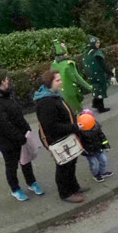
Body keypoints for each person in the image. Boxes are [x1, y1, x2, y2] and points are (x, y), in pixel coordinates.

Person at [0, 70, 44, 201]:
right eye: (6, 78)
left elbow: (17, 115)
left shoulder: (7, 94)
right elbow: (4, 124)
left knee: (26, 161)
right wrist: (20, 137)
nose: (8, 80)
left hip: (20, 136)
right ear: (2, 81)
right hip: (7, 141)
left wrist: (26, 130)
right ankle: (15, 189)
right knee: (11, 165)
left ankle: (31, 182)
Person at [34, 71, 88, 203]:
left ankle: (74, 187)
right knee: (64, 165)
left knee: (72, 162)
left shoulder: (54, 95)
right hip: (57, 139)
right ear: (49, 83)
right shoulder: (46, 102)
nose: (61, 82)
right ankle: (65, 193)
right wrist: (74, 127)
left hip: (66, 135)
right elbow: (51, 126)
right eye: (57, 80)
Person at [52, 41, 94, 114]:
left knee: (67, 113)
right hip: (71, 92)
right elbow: (77, 78)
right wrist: (90, 87)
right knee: (78, 112)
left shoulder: (53, 64)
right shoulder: (69, 64)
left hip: (59, 93)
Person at [78, 109, 114, 183]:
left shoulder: (96, 126)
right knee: (94, 164)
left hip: (98, 148)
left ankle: (102, 172)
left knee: (104, 160)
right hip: (89, 151)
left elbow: (102, 137)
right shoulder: (79, 131)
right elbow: (79, 142)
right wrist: (83, 151)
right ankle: (96, 174)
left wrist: (106, 146)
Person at [82, 37, 113, 113]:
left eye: (99, 43)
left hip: (91, 75)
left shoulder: (86, 52)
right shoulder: (96, 53)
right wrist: (110, 72)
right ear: (93, 43)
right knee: (101, 90)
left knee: (96, 89)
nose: (99, 44)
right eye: (97, 43)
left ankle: (95, 104)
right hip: (99, 75)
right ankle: (101, 108)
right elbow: (103, 65)